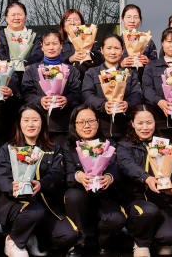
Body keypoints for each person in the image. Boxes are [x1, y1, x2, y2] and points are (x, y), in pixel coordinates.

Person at [0, 104, 79, 257]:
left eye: (35, 120)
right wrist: (11, 186)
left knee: (68, 236)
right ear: (20, 123)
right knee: (35, 211)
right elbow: (0, 175)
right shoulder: (8, 148)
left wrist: (42, 184)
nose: (30, 124)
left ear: (42, 122)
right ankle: (14, 241)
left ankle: (31, 236)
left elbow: (57, 173)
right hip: (16, 205)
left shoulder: (53, 147)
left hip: (46, 204)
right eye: (26, 120)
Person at [60, 105, 124, 257]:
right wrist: (78, 176)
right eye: (81, 122)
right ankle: (78, 241)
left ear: (98, 122)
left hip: (104, 195)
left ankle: (103, 241)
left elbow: (117, 169)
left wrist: (110, 177)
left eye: (91, 121)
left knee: (116, 219)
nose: (86, 125)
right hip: (80, 195)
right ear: (74, 124)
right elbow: (66, 175)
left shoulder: (109, 144)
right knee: (73, 196)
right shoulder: (68, 146)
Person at [116, 105, 172, 257]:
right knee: (147, 211)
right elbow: (127, 165)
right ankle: (141, 243)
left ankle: (160, 239)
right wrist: (147, 178)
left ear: (155, 122)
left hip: (161, 199)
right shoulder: (124, 146)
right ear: (132, 123)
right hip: (136, 199)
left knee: (169, 237)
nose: (145, 127)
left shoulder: (164, 144)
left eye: (149, 122)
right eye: (140, 123)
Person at [22, 30, 83, 140]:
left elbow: (78, 95)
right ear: (42, 47)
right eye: (47, 44)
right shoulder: (32, 70)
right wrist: (39, 100)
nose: (51, 47)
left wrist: (67, 99)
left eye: (55, 43)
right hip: (39, 127)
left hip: (64, 126)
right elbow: (26, 94)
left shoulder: (71, 70)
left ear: (61, 45)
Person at [82, 34, 143, 139]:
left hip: (125, 131)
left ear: (122, 51)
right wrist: (103, 104)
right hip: (99, 131)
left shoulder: (130, 74)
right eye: (109, 48)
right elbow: (86, 95)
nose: (113, 52)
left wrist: (127, 104)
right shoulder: (92, 73)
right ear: (102, 50)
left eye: (117, 48)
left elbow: (138, 95)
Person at [0, 1, 43, 78]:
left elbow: (37, 56)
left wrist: (25, 67)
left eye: (20, 15)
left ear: (25, 16)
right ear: (6, 18)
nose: (16, 18)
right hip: (5, 77)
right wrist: (12, 67)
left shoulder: (35, 37)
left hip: (29, 76)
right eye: (13, 15)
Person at [119, 4, 157, 69]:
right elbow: (109, 63)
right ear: (122, 20)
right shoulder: (117, 42)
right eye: (128, 17)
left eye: (136, 17)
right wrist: (120, 64)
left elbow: (156, 65)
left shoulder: (148, 42)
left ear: (140, 20)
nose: (132, 21)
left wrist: (149, 61)